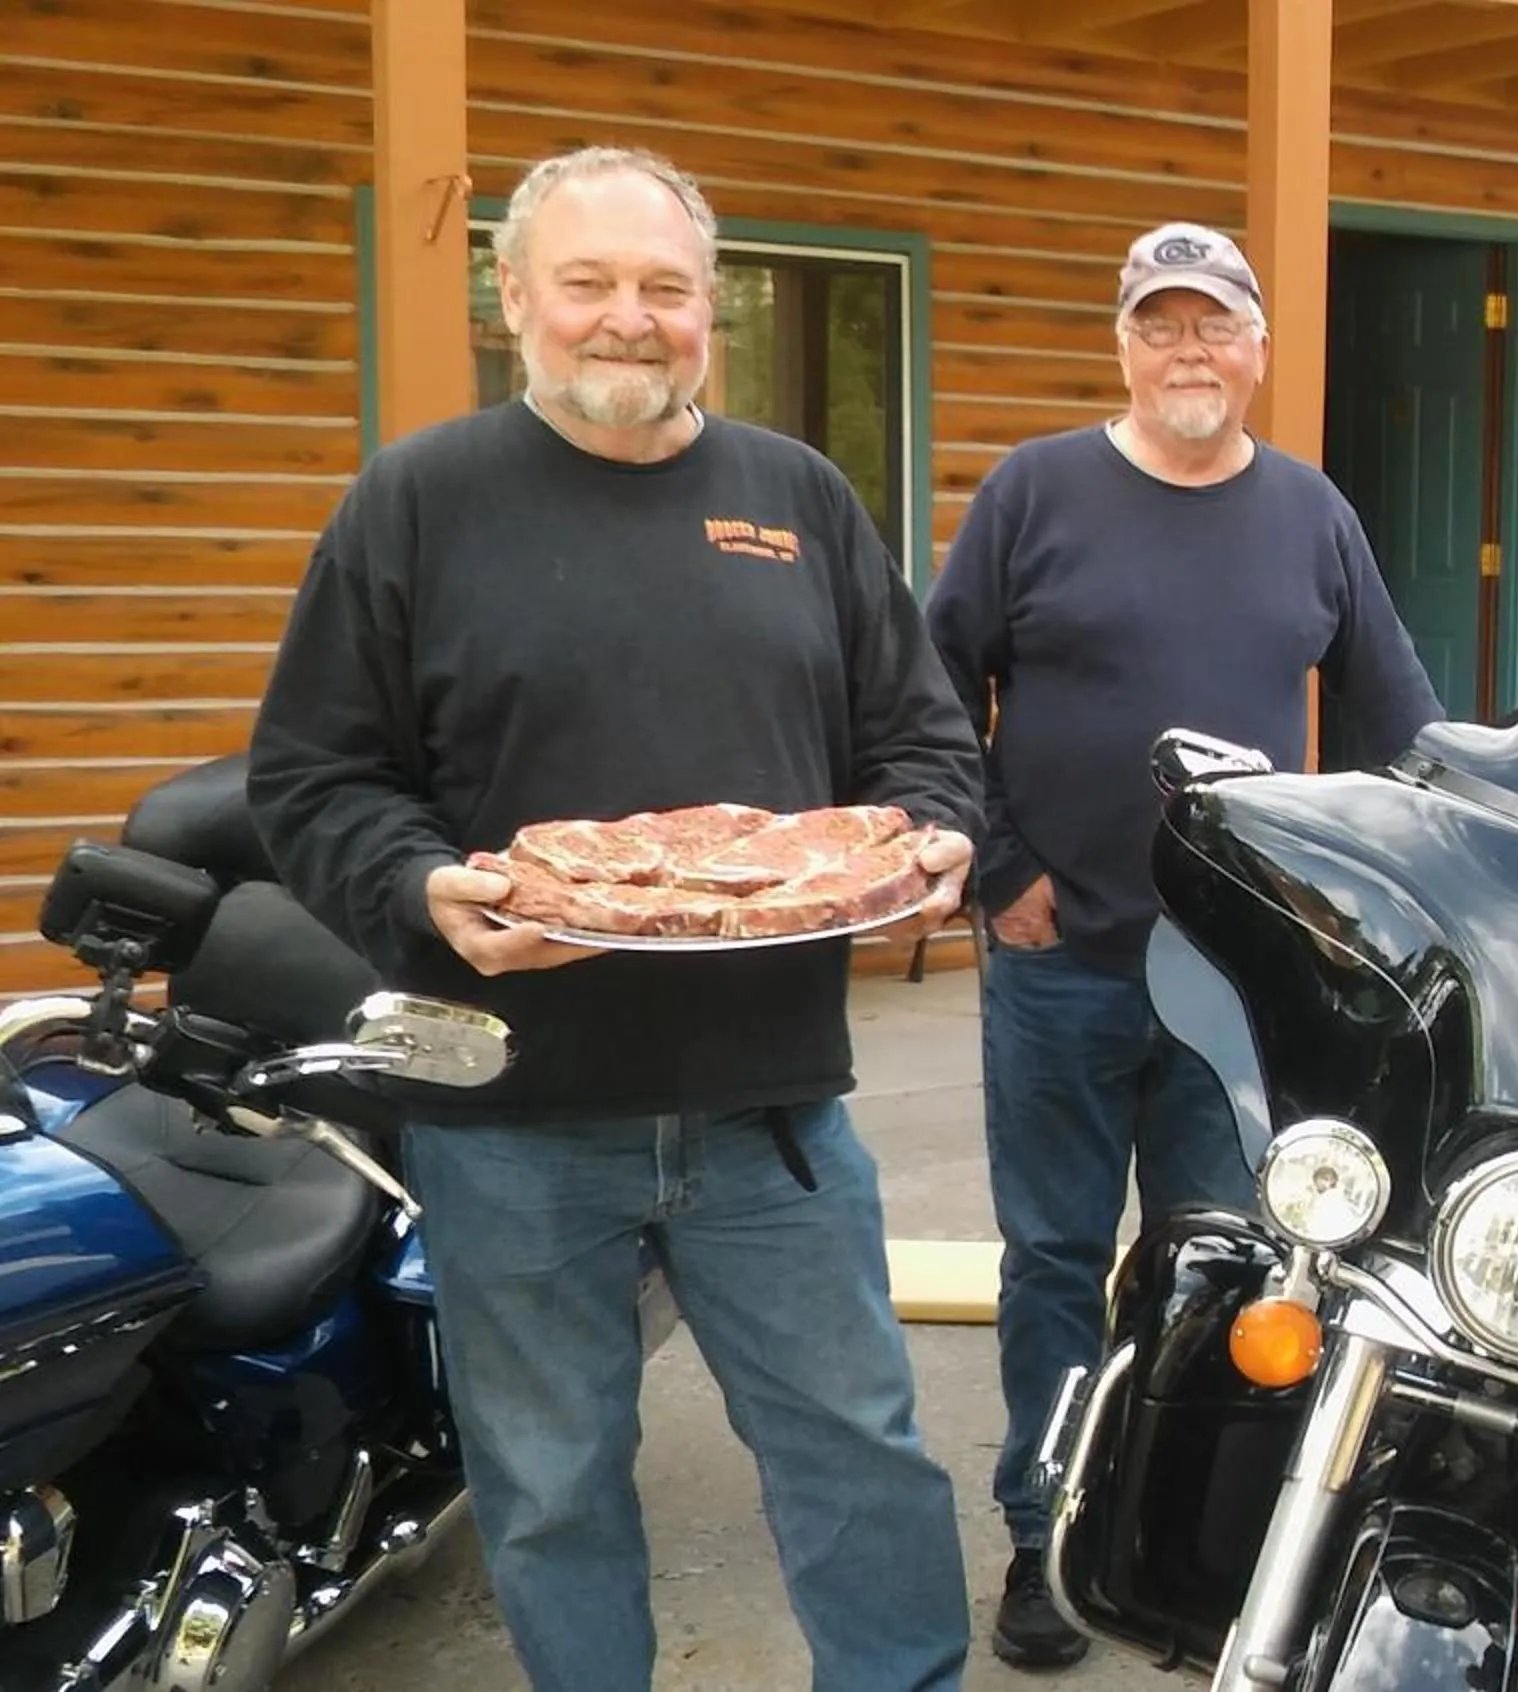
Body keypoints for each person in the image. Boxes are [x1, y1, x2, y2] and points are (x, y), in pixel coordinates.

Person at [244, 145, 980, 1692]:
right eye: (588, 283)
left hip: (771, 1110)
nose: (628, 318)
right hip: (513, 1114)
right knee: (552, 1486)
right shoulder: (416, 503)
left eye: (665, 286)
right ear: (515, 298)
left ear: (711, 305)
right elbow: (315, 777)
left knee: (860, 1454)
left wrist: (934, 839)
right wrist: (420, 890)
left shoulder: (799, 499)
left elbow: (918, 740)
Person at [924, 220, 1443, 1669]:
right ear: (1124, 346)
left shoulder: (1311, 515)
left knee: (1223, 1274)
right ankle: (1045, 1532)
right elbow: (928, 685)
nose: (1189, 350)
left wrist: (1365, 905)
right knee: (1053, 1258)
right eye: (1160, 324)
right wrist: (1000, 870)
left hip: (1236, 982)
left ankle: (1182, 1547)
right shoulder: (1035, 493)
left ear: (1259, 349)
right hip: (1059, 961)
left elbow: (1402, 729)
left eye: (1214, 323)